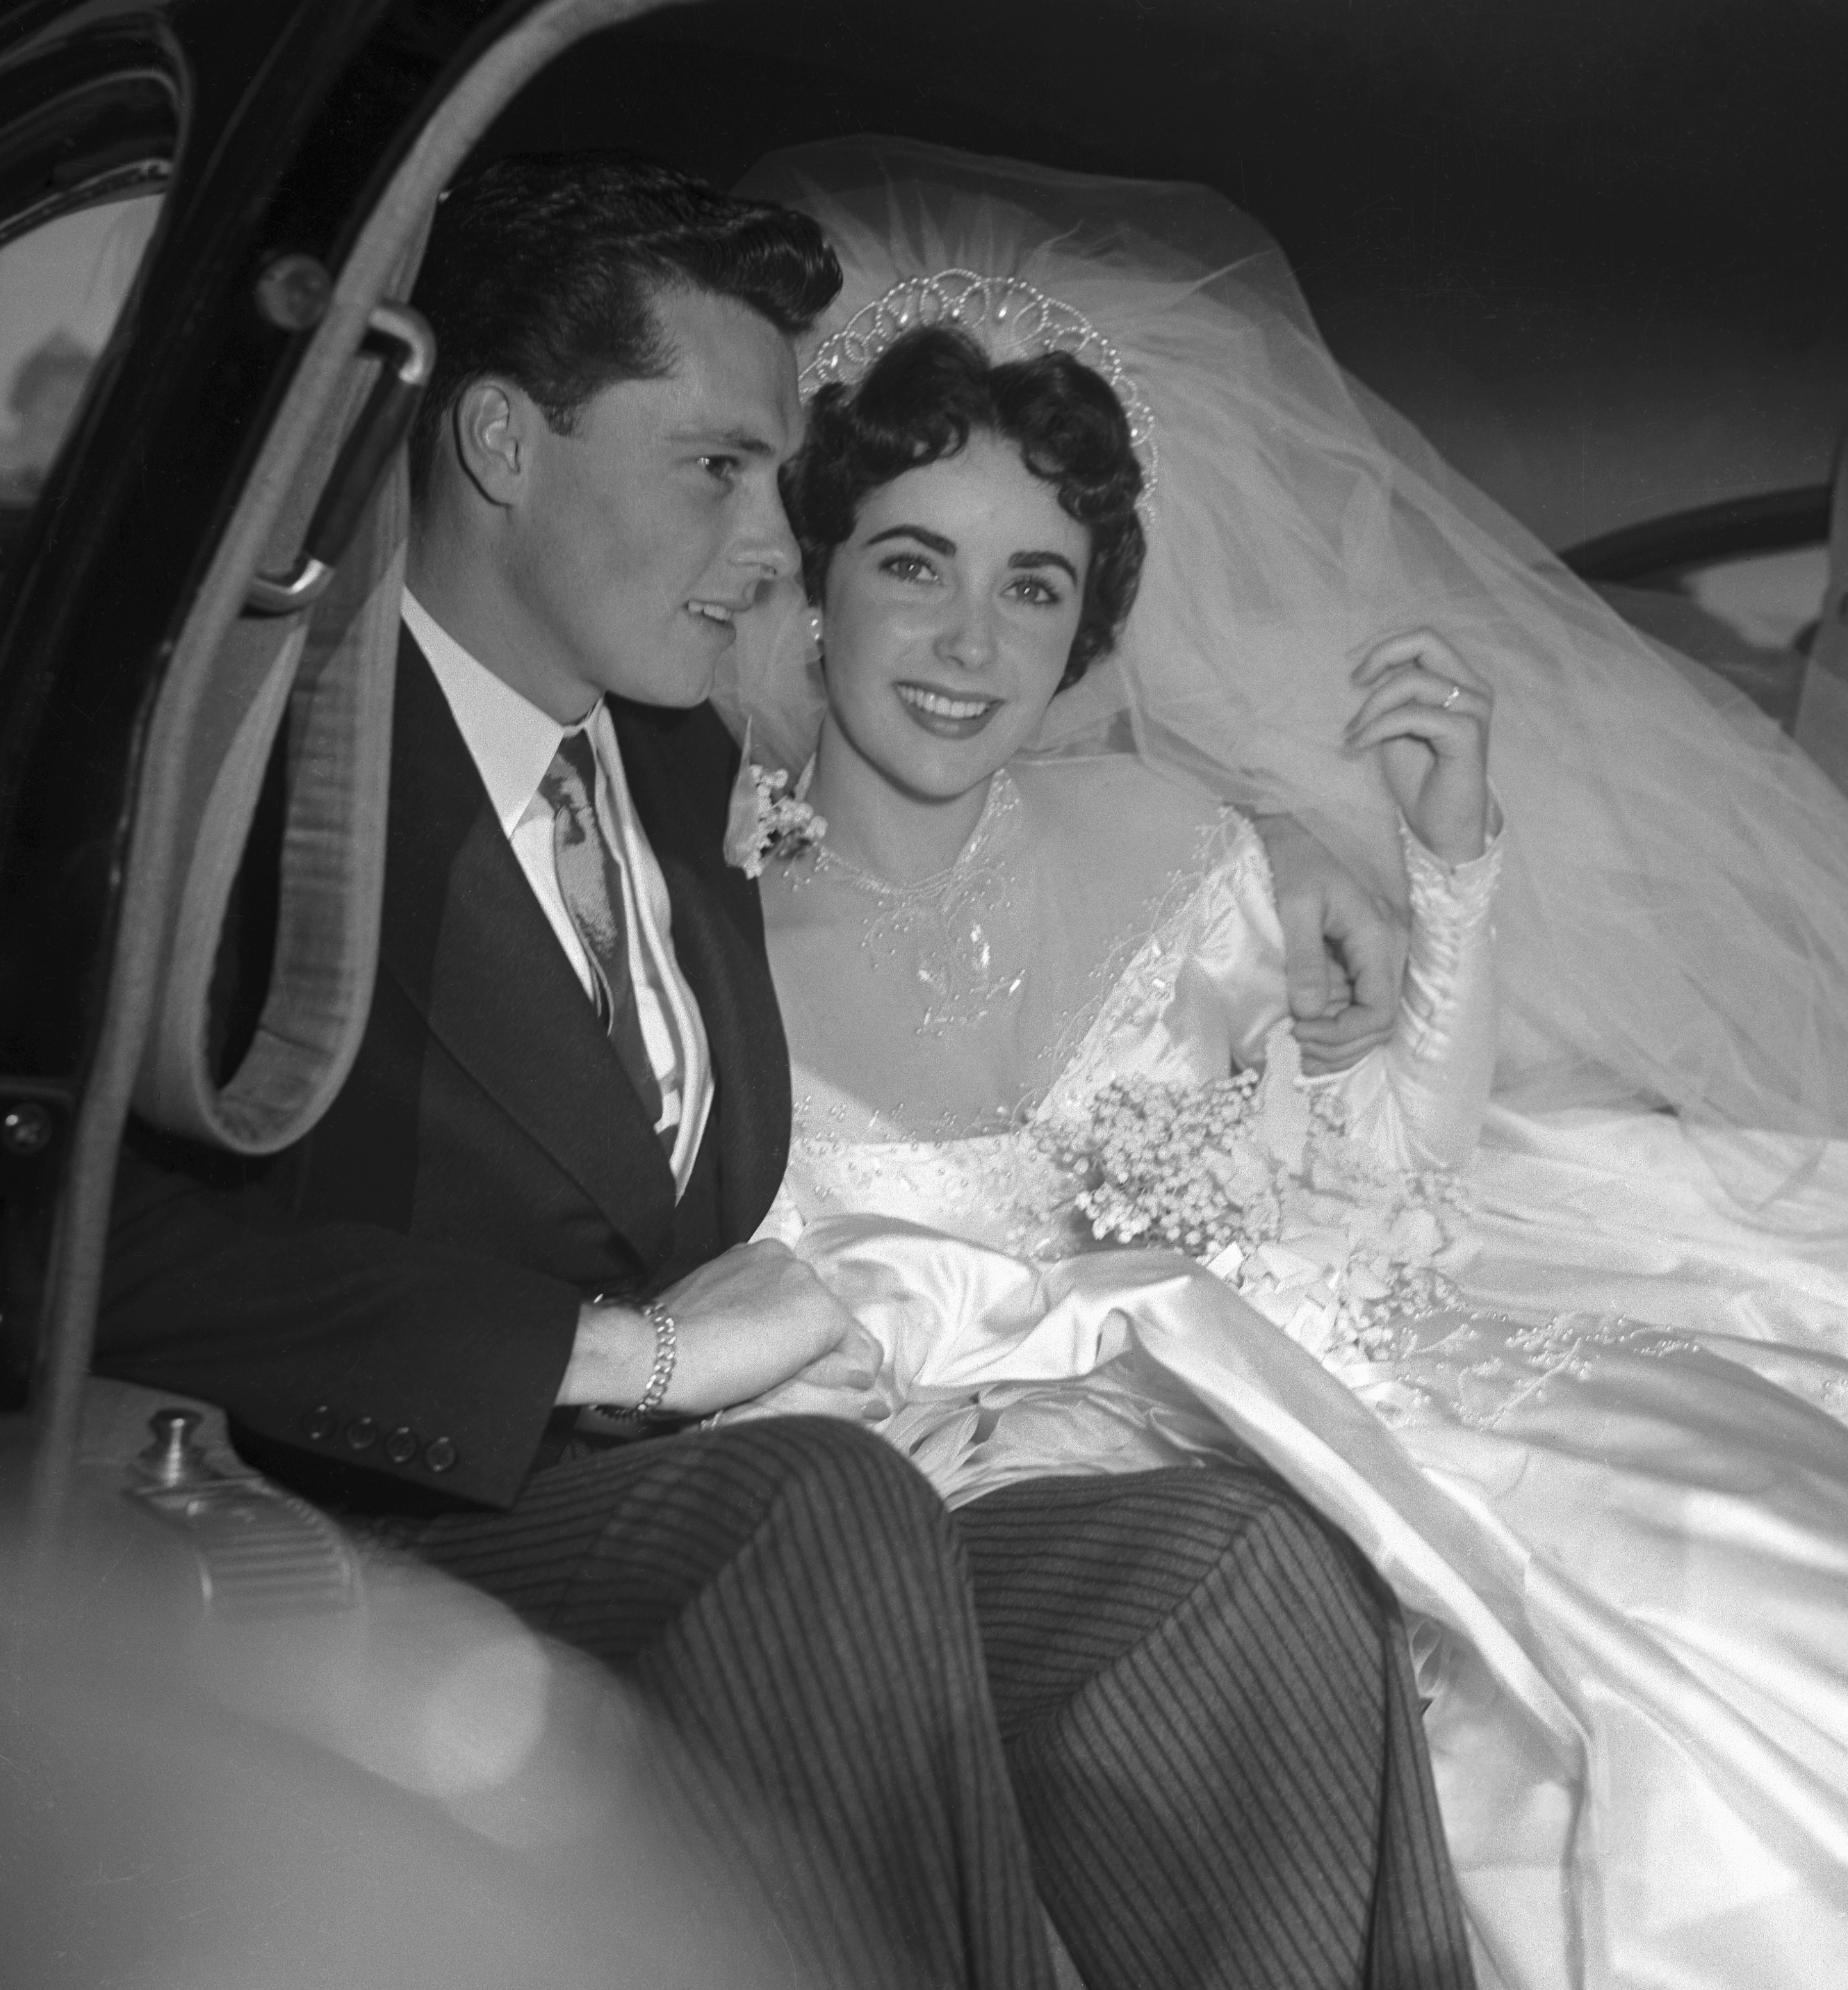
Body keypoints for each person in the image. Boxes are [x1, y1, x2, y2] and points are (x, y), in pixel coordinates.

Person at [726, 138, 1848, 1990]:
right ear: (812, 580)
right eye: (914, 562)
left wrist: (1451, 859)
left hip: (1389, 1368)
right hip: (1091, 1499)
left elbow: (1389, 1179)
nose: (972, 644)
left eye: (1037, 587)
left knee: (1788, 1594)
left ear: (1087, 630)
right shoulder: (691, 946)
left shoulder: (1167, 833)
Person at [94, 152, 1476, 1990]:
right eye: (719, 468)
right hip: (409, 1511)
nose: (771, 545)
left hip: (782, 1488)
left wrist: (1301, 847)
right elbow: (74, 1223)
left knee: (1245, 1559)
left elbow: (967, 820)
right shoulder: (261, 771)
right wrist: (626, 1354)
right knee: (830, 1505)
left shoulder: (686, 770)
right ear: (500, 443)